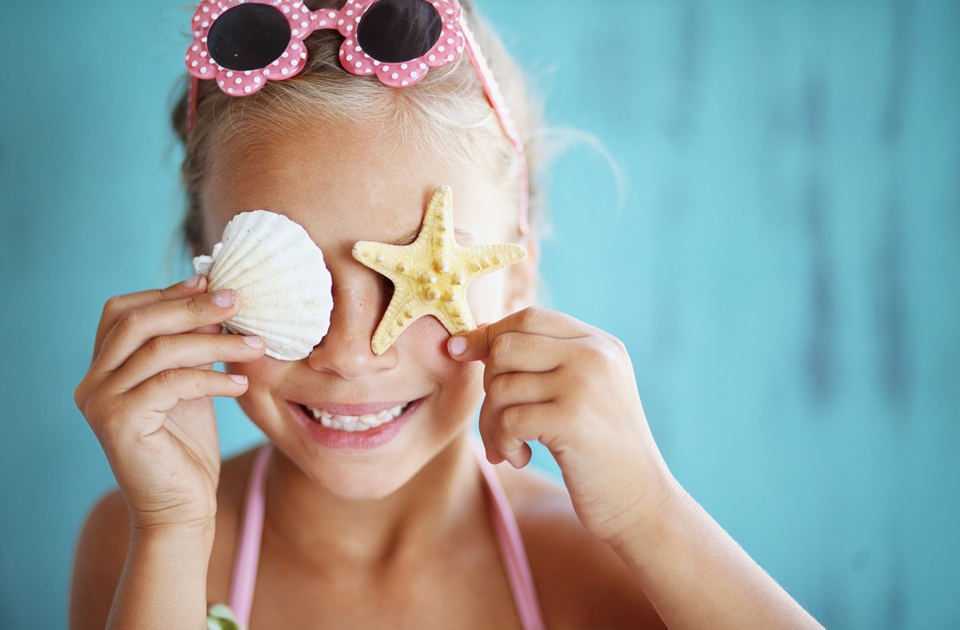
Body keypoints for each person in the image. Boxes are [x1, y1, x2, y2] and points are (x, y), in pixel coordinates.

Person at [70, 1, 821, 627]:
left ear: (515, 274)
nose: (351, 354)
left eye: (409, 276)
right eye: (292, 278)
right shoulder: (147, 540)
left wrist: (649, 512)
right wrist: (172, 532)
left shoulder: (599, 563)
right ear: (206, 275)